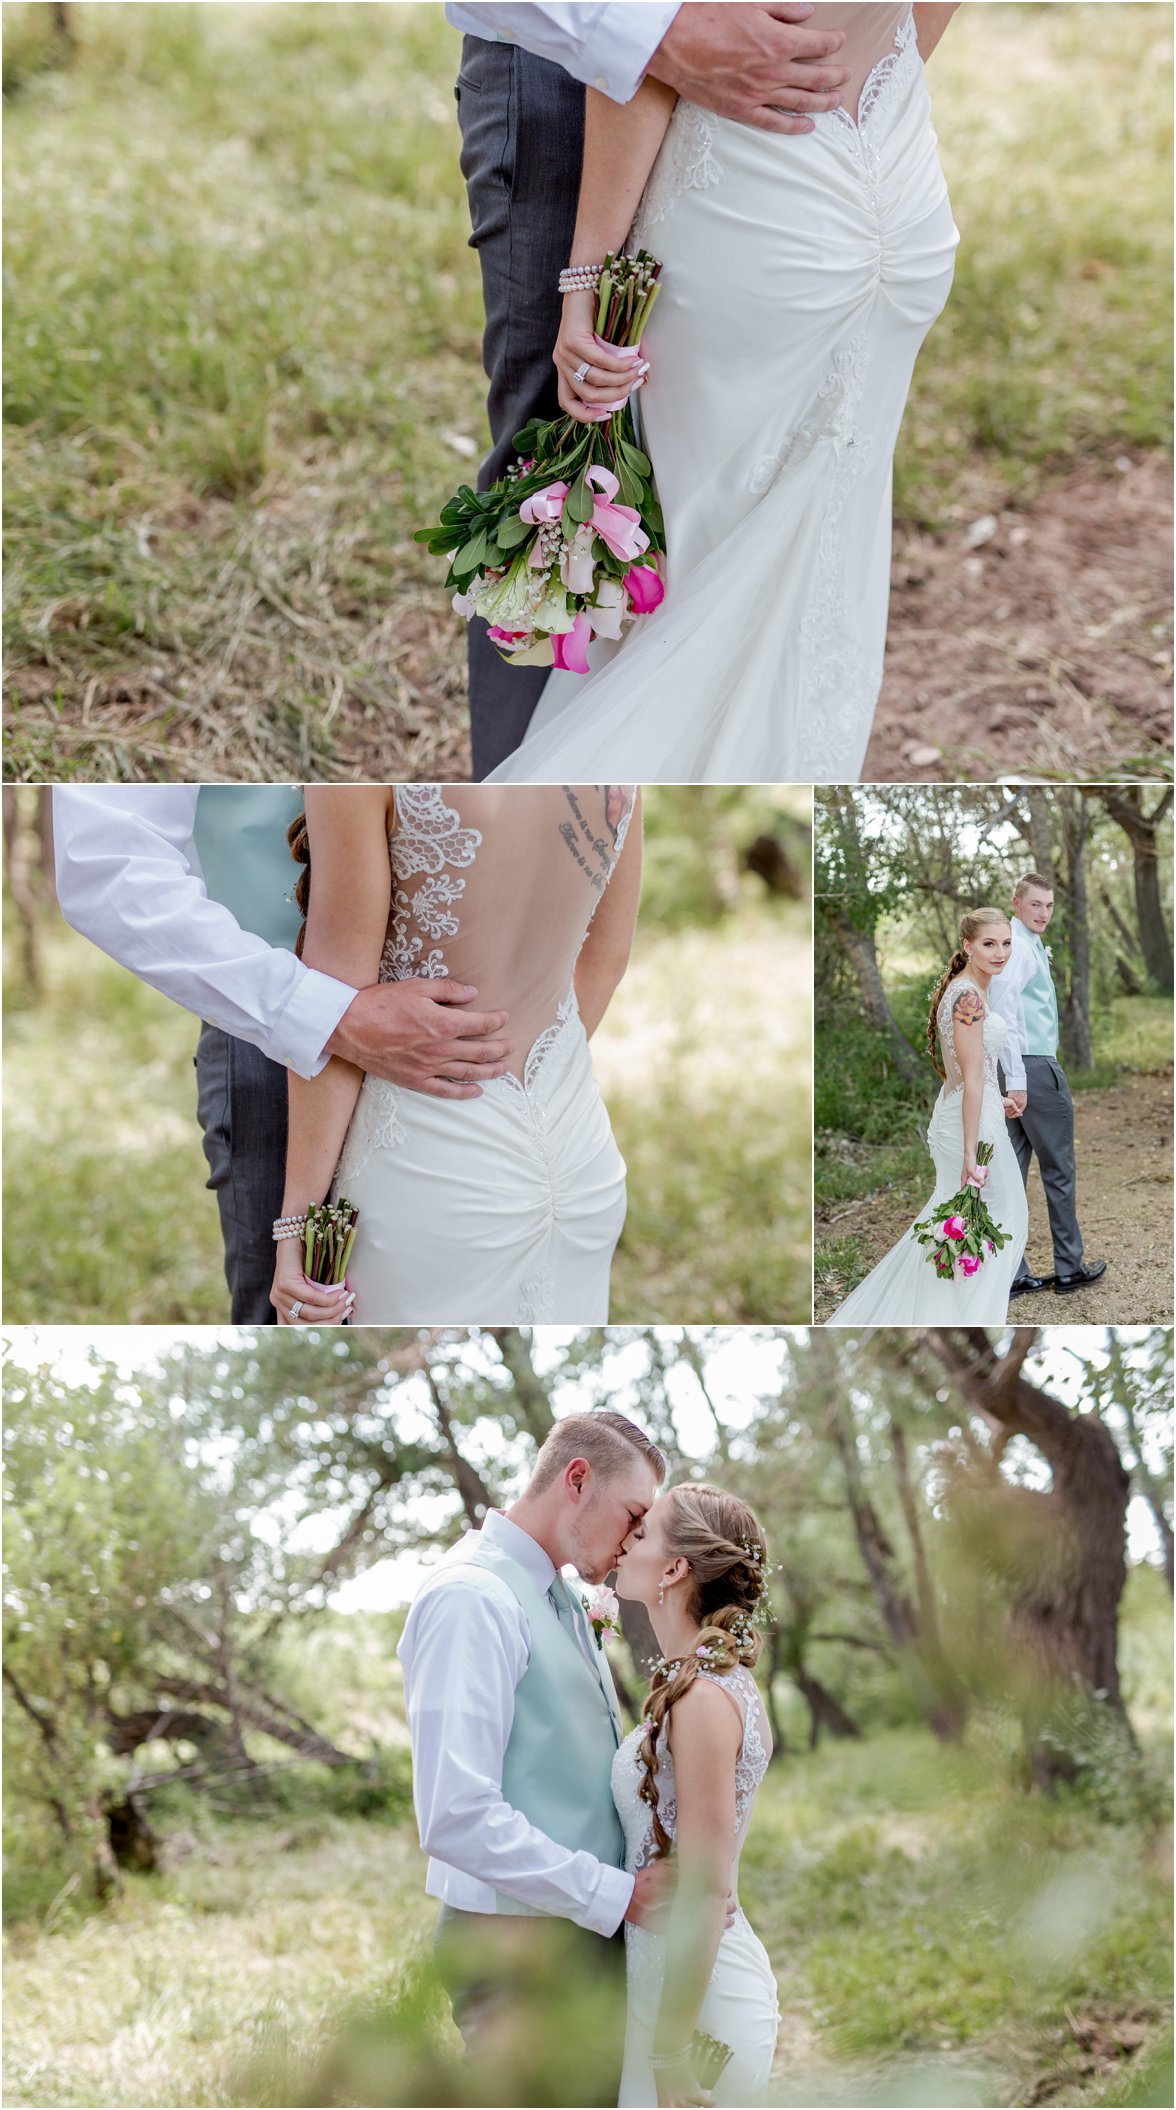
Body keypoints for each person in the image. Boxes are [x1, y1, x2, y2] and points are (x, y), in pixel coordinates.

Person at [475, 2, 960, 782]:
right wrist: (857, 125)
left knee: (630, 513)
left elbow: (650, 26)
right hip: (890, 192)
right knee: (801, 544)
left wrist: (588, 279)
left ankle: (553, 795)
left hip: (745, 198)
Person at [51, 785, 515, 1323]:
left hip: (461, 1055)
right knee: (292, 1313)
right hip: (270, 1027)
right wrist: (321, 1015)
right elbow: (104, 855)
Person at [269, 782, 640, 1325]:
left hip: (427, 1173)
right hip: (582, 1155)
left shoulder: (352, 778)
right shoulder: (619, 771)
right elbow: (607, 957)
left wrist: (296, 1227)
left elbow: (337, 1016)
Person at [397, 1412, 673, 2107]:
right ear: (577, 1480)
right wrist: (617, 1897)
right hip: (516, 1952)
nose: (636, 1539)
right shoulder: (472, 1597)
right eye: (633, 1515)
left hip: (578, 1935)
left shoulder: (566, 1596)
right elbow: (456, 1815)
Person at [612, 1481, 780, 2107]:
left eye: (643, 1533)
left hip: (697, 2008)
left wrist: (671, 2052)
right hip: (664, 1982)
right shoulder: (701, 1684)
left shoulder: (706, 1698)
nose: (625, 1541)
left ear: (676, 1568)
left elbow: (707, 1891)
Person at [828, 908, 1029, 1324]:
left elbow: (969, 1073)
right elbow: (971, 1077)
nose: (1000, 952)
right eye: (989, 944)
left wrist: (997, 1099)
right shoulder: (970, 995)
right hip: (969, 1128)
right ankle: (967, 1315)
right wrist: (971, 1154)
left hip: (969, 1112)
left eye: (1006, 943)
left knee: (961, 1224)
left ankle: (951, 1311)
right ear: (967, 946)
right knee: (1001, 1218)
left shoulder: (967, 988)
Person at [988, 872, 1107, 1298]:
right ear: (1016, 903)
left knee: (1011, 1170)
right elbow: (1004, 1009)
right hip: (1031, 1067)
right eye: (1035, 904)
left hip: (1009, 1068)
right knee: (1058, 1169)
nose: (1043, 913)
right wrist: (1018, 1076)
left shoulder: (1020, 944)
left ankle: (1013, 1272)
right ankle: (1069, 1267)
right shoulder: (1017, 947)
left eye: (1049, 905)